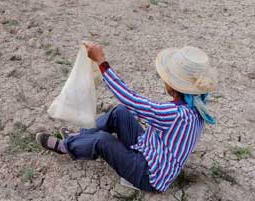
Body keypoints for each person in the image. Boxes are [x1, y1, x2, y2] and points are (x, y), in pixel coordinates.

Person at [36, 43, 217, 192]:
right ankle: (82, 138)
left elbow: (133, 100)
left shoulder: (176, 114)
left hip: (149, 175)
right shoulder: (196, 106)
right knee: (120, 112)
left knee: (103, 140)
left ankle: (66, 146)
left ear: (173, 85)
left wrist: (101, 62)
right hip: (150, 149)